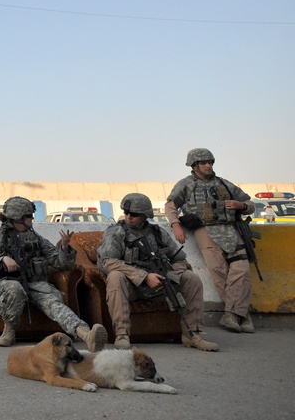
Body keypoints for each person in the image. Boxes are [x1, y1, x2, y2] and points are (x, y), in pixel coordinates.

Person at [0, 196, 107, 351]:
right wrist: (2, 260)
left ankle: (87, 335)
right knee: (14, 289)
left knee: (54, 304)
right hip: (4, 282)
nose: (31, 220)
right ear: (16, 218)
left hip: (34, 284)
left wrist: (65, 249)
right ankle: (9, 330)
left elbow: (60, 263)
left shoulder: (35, 238)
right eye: (28, 217)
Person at [97, 193, 218, 351]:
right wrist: (144, 277)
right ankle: (122, 334)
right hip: (132, 286)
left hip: (159, 285)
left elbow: (180, 260)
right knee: (115, 277)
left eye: (133, 214)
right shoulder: (116, 233)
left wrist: (167, 277)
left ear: (145, 215)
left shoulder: (158, 233)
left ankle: (192, 334)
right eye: (126, 213)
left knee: (191, 278)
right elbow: (108, 262)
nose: (128, 217)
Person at [164, 148, 256, 334]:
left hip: (230, 230)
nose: (209, 165)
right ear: (194, 165)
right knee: (219, 272)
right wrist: (175, 224)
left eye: (210, 162)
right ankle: (241, 315)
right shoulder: (186, 185)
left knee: (242, 270)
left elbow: (250, 204)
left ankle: (232, 314)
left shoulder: (224, 183)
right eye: (204, 162)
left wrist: (241, 205)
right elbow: (170, 206)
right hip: (204, 230)